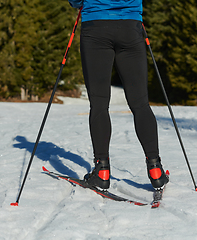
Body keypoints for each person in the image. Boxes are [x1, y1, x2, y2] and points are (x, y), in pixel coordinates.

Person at [68, 0, 169, 191]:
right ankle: (155, 169)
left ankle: (102, 171)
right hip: (130, 27)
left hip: (95, 26)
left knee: (99, 103)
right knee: (140, 103)